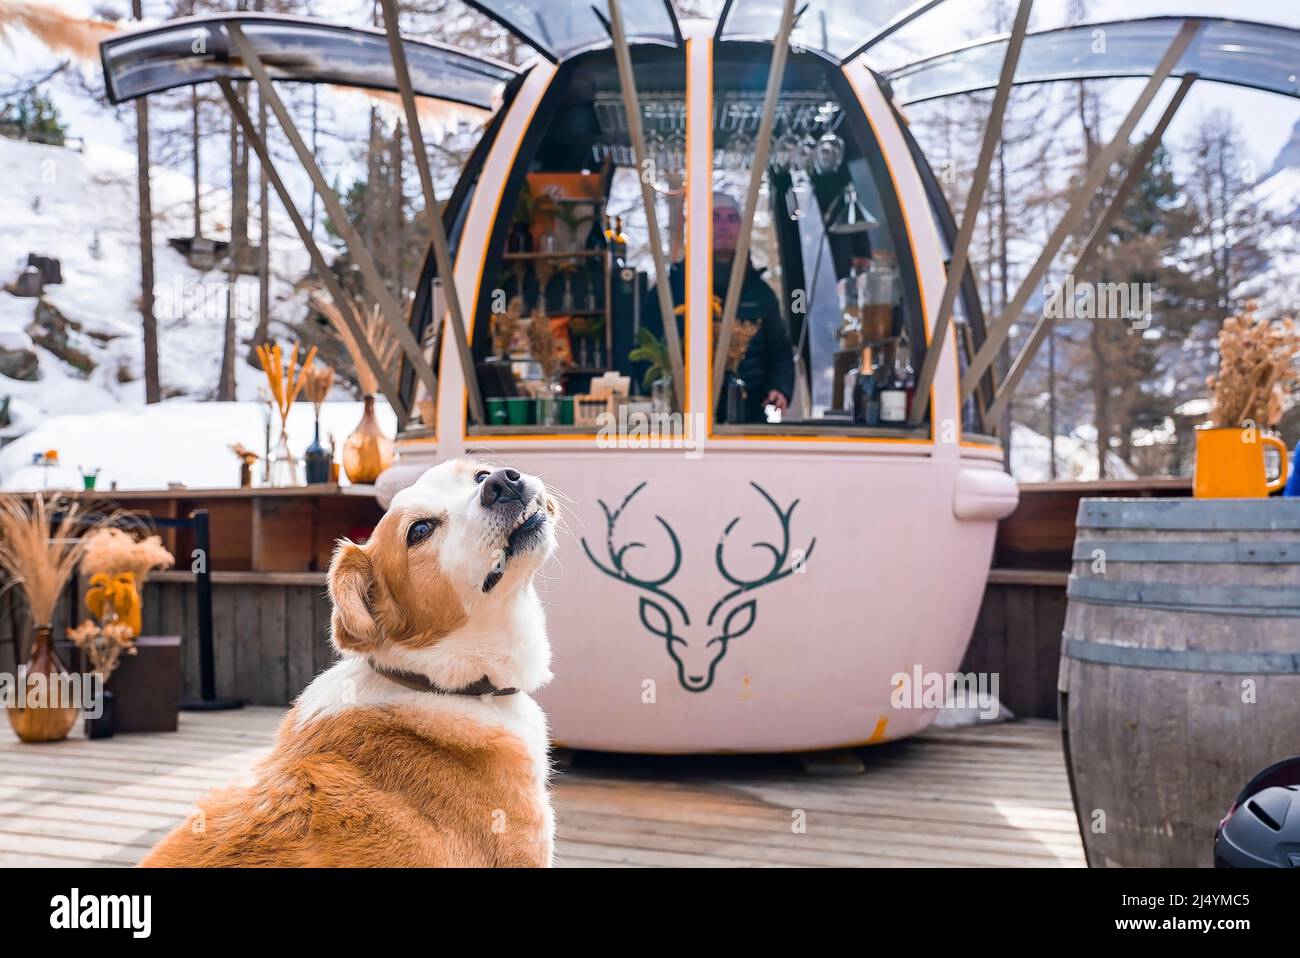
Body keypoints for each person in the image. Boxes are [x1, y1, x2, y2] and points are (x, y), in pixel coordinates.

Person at [640, 191, 794, 423]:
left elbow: (779, 351)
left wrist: (780, 388)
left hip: (748, 418)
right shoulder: (670, 290)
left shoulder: (762, 294)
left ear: (742, 230)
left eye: (732, 218)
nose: (723, 225)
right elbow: (645, 349)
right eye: (714, 217)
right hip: (681, 419)